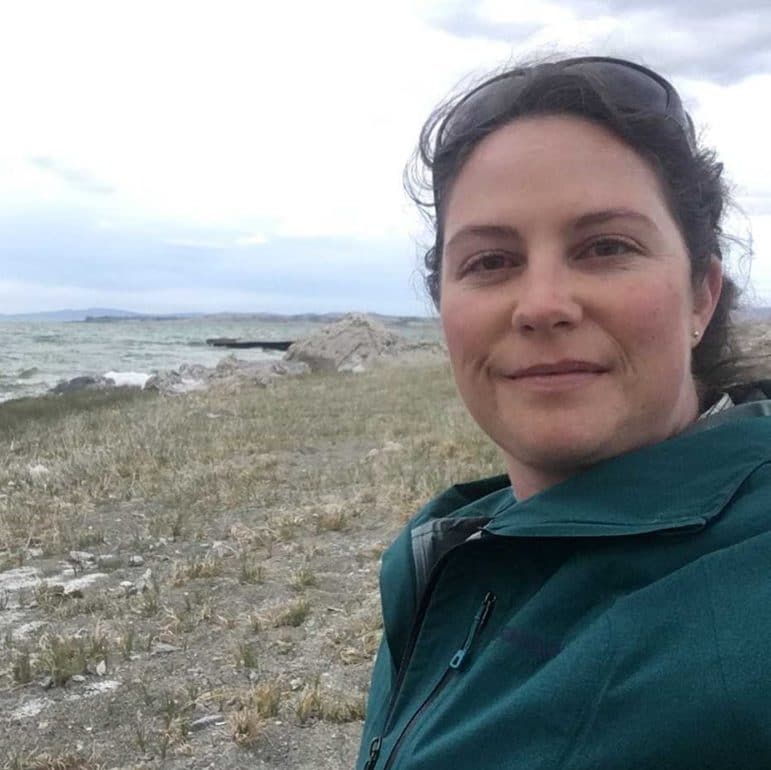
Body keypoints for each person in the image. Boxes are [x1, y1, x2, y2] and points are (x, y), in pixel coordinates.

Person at [356, 56, 771, 770]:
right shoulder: (443, 551)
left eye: (605, 247)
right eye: (489, 261)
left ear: (701, 295)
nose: (542, 304)